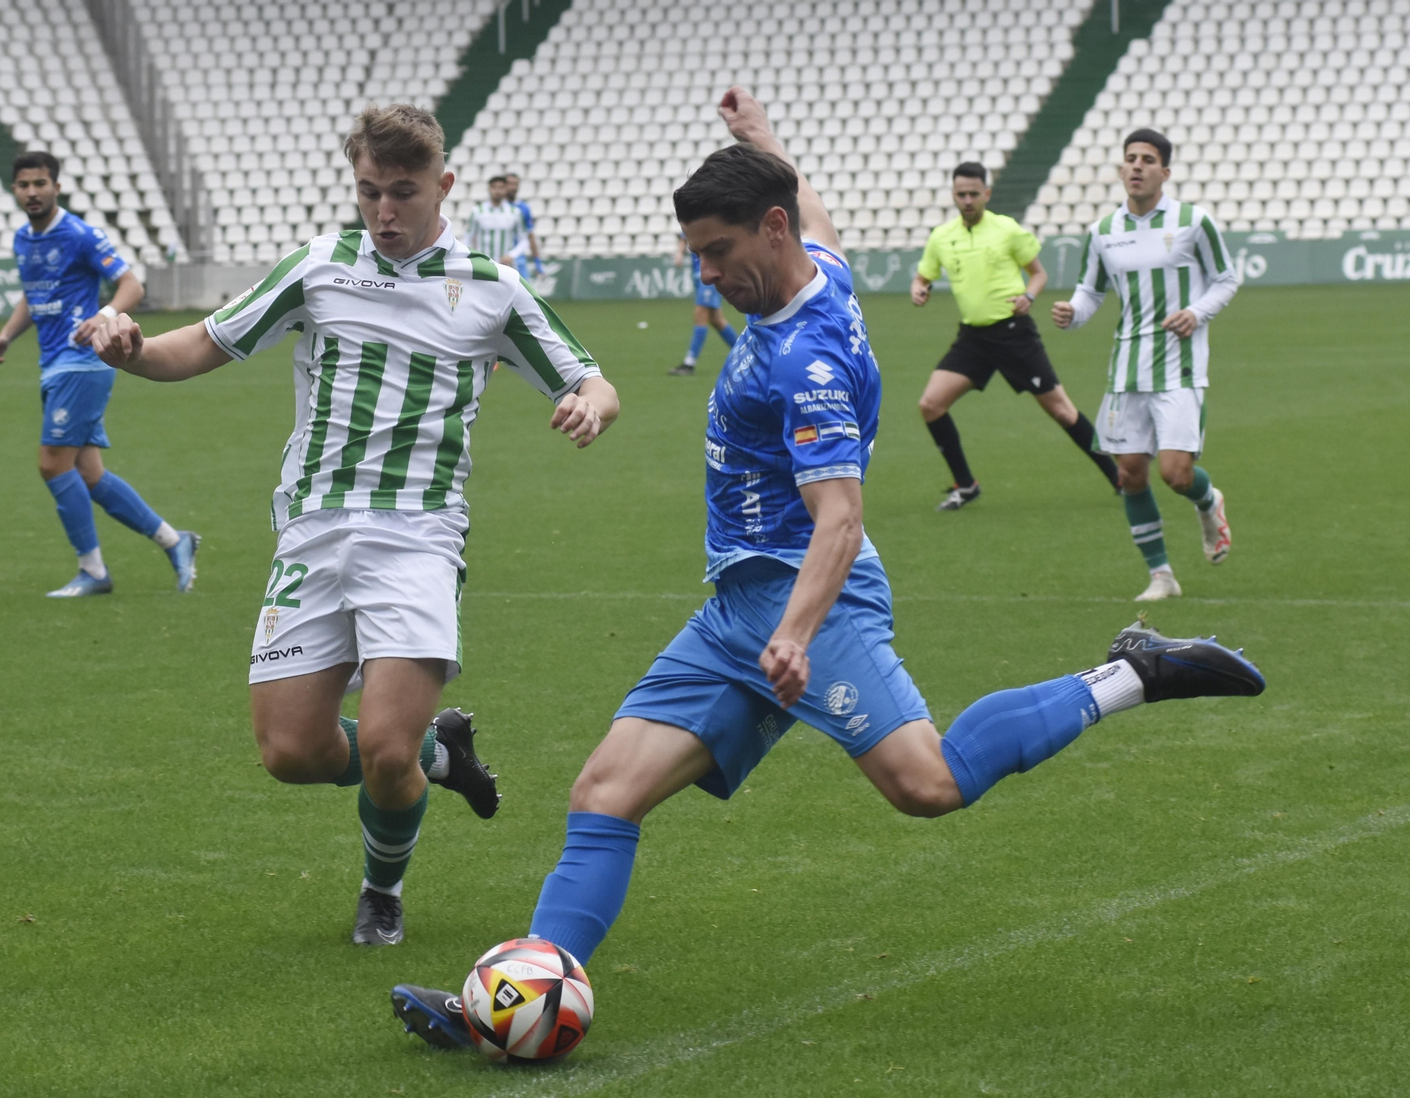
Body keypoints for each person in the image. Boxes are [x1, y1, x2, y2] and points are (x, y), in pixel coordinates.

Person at [388, 90, 1265, 1048]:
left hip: (809, 600)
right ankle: (513, 1007)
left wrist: (798, 634)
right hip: (740, 606)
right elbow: (816, 216)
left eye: (717, 253)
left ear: (766, 234)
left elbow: (840, 522)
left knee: (926, 783)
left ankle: (1133, 670)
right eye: (697, 255)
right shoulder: (819, 273)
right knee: (605, 791)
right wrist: (761, 142)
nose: (708, 273)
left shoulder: (804, 359)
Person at [90, 104, 619, 947]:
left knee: (380, 747)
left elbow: (591, 378)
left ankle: (383, 890)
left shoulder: (491, 286)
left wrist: (589, 406)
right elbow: (204, 342)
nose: (384, 212)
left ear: (442, 186)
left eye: (403, 193)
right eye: (369, 192)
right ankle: (442, 759)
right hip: (312, 530)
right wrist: (133, 351)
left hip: (417, 533)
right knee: (290, 752)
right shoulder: (318, 266)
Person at [0, 150, 199, 598]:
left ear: (56, 188)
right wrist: (6, 336)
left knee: (51, 464)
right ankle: (176, 542)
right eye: (24, 185)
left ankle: (94, 571)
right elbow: (33, 295)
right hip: (55, 365)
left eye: (40, 183)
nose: (32, 192)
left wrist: (104, 315)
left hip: (82, 364)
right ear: (14, 190)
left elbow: (131, 285)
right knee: (89, 474)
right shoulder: (24, 240)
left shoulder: (80, 234)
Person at [1052, 129, 1239, 602]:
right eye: (1130, 159)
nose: (1137, 166)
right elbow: (1091, 292)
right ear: (1121, 169)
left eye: (1147, 159)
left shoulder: (1194, 222)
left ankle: (1207, 499)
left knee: (1176, 474)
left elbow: (1225, 279)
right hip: (1126, 368)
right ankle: (1161, 576)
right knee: (1130, 473)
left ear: (1165, 172)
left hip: (1179, 365)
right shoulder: (1102, 232)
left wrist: (1196, 313)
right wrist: (1073, 314)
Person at [912, 162, 1119, 511]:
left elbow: (1038, 274)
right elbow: (924, 276)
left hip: (1013, 334)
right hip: (973, 338)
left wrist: (1030, 296)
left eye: (973, 194)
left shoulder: (1007, 230)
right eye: (961, 194)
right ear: (953, 194)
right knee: (930, 405)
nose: (967, 200)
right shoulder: (941, 237)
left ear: (987, 194)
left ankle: (1119, 478)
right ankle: (966, 485)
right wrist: (920, 288)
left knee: (1063, 411)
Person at [667, 231, 738, 376]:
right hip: (698, 272)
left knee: (700, 313)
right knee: (716, 320)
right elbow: (685, 235)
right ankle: (744, 352)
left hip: (711, 272)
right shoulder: (695, 217)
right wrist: (680, 253)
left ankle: (689, 363)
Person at [466, 175, 527, 269]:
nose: (497, 191)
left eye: (501, 188)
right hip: (483, 266)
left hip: (506, 267)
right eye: (494, 187)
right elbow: (467, 238)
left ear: (506, 189)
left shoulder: (515, 212)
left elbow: (524, 240)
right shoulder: (477, 211)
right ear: (489, 189)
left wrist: (511, 255)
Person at [503, 172, 543, 278]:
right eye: (510, 184)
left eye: (515, 184)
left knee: (527, 293)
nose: (513, 187)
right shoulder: (494, 209)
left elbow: (529, 235)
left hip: (518, 260)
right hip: (498, 259)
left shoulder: (523, 208)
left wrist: (537, 262)